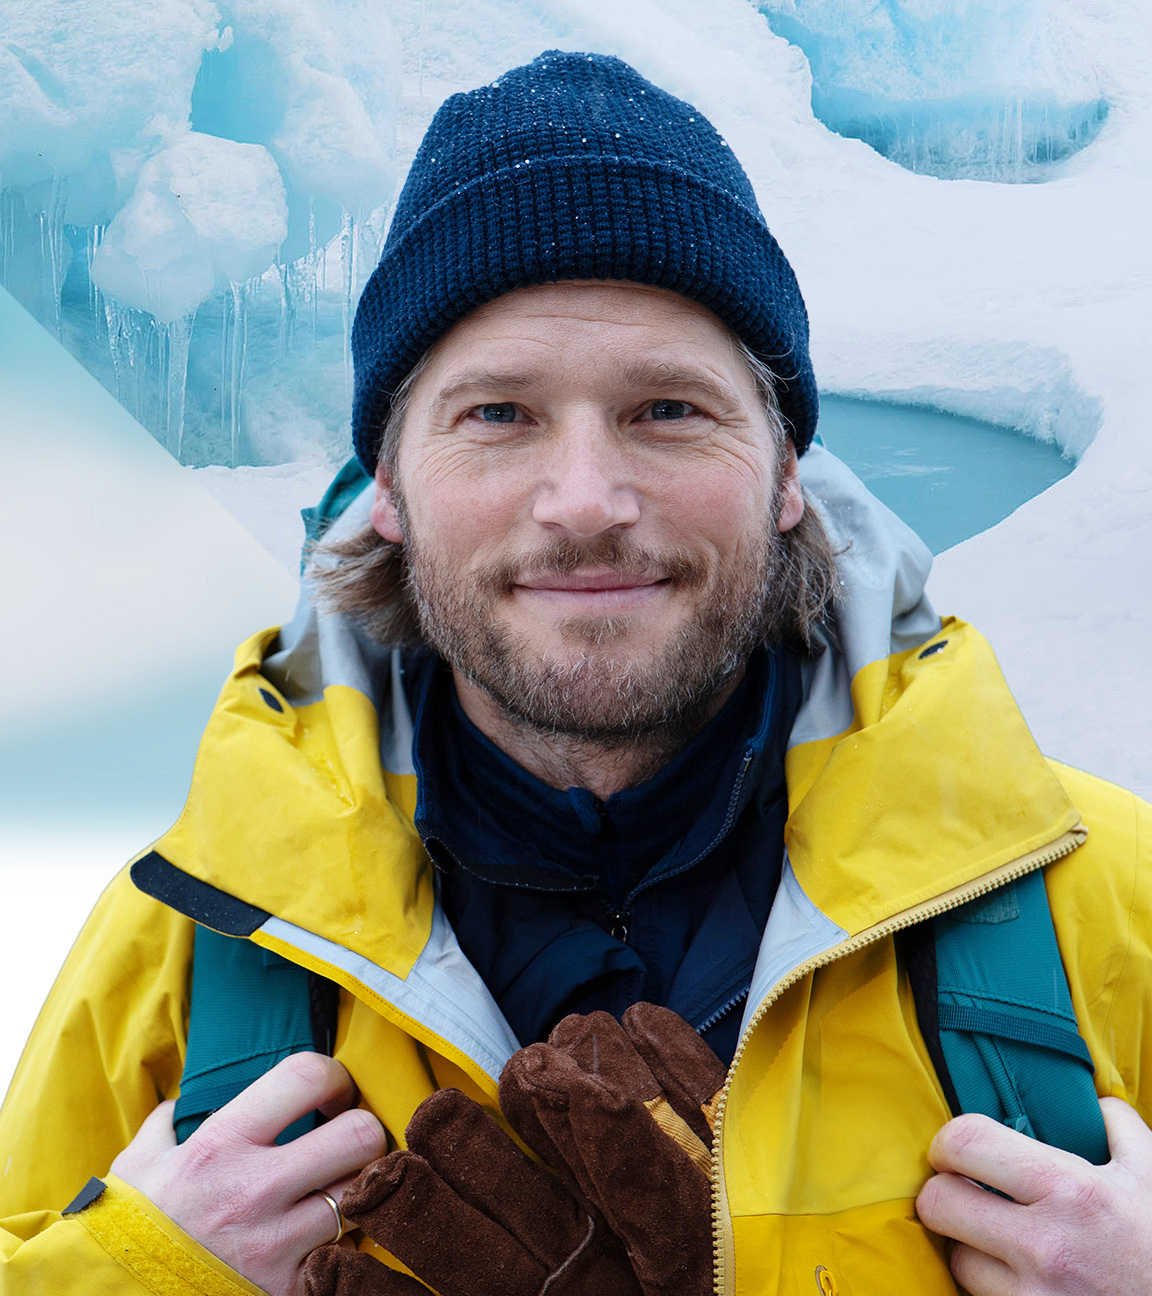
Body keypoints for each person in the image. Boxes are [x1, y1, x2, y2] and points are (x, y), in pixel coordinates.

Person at [1, 49, 1150, 1296]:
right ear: (387, 487)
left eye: (669, 409)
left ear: (785, 474)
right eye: (497, 414)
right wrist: (141, 1272)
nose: (587, 501)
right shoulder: (192, 939)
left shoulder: (1100, 897)